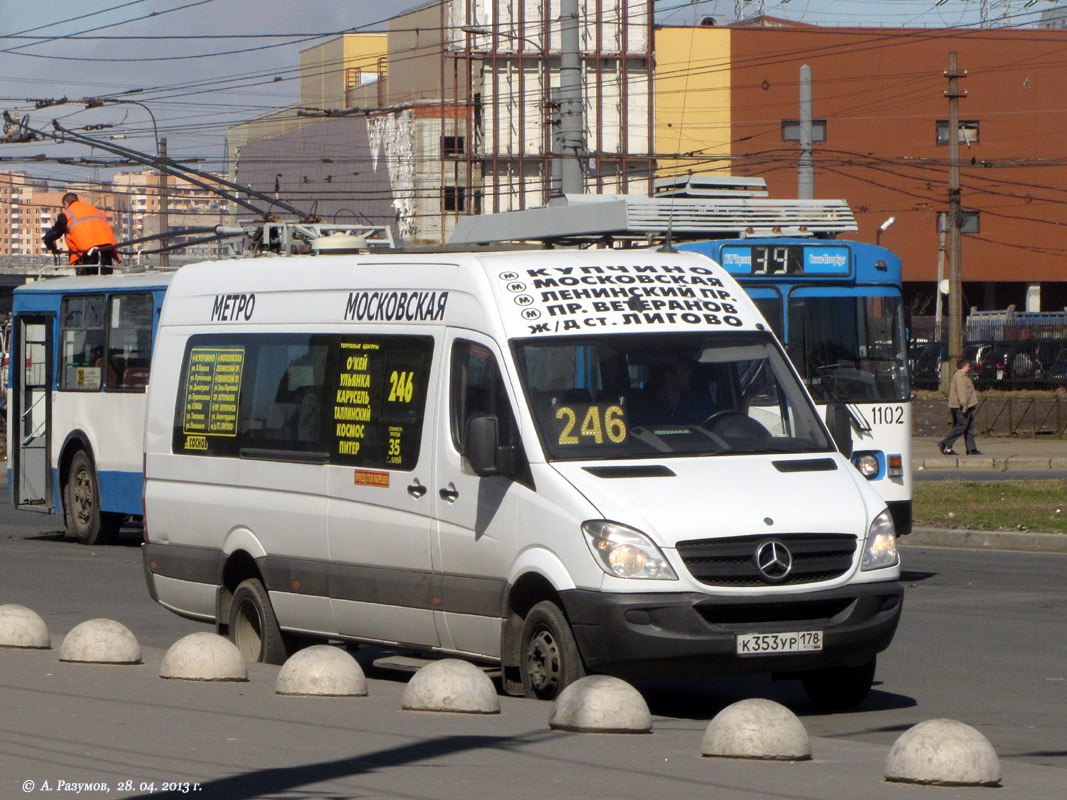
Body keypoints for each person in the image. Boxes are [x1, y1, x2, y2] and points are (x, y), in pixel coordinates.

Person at [41, 192, 121, 276]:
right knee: (106, 280)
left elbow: (54, 233)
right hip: (106, 249)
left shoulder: (67, 214)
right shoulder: (96, 210)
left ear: (65, 203)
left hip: (86, 252)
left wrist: (51, 246)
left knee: (87, 281)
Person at [940, 357, 981, 455]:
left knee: (969, 427)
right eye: (968, 366)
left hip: (962, 406)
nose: (969, 368)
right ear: (964, 366)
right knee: (961, 426)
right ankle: (945, 443)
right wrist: (964, 405)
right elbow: (962, 392)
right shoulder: (960, 377)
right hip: (960, 406)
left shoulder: (961, 376)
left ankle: (971, 448)